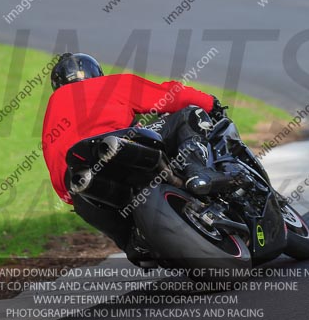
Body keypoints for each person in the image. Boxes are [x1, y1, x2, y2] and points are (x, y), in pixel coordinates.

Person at [41, 52, 230, 262]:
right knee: (189, 114)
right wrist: (210, 103)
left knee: (82, 198)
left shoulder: (51, 111)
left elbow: (58, 175)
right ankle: (198, 172)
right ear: (96, 73)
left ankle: (134, 243)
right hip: (120, 144)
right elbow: (170, 95)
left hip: (81, 180)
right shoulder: (108, 84)